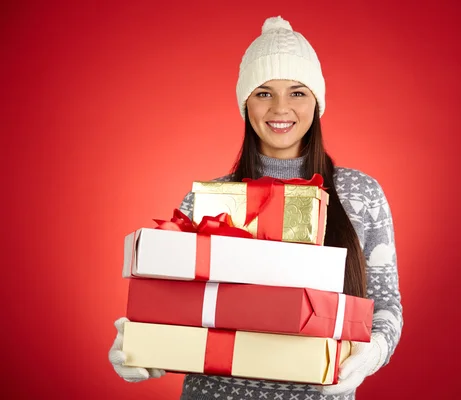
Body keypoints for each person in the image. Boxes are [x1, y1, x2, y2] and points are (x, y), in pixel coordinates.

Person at [109, 15, 403, 400]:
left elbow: (386, 306)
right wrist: (139, 345)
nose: (281, 108)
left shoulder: (359, 195)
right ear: (245, 103)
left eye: (297, 92)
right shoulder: (208, 202)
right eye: (264, 92)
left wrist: (373, 354)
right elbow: (176, 311)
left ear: (317, 102)